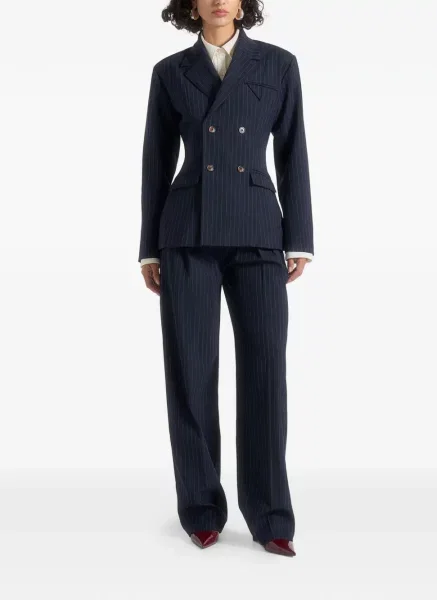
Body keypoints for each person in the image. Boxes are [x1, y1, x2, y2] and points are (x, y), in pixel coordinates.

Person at [139, 0, 314, 558]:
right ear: (190, 5)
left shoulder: (278, 64)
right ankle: (200, 510)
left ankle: (271, 517)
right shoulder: (170, 72)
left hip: (258, 231)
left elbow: (292, 151)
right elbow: (156, 160)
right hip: (186, 232)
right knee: (190, 373)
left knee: (266, 372)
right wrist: (149, 249)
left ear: (244, 4)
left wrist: (299, 238)